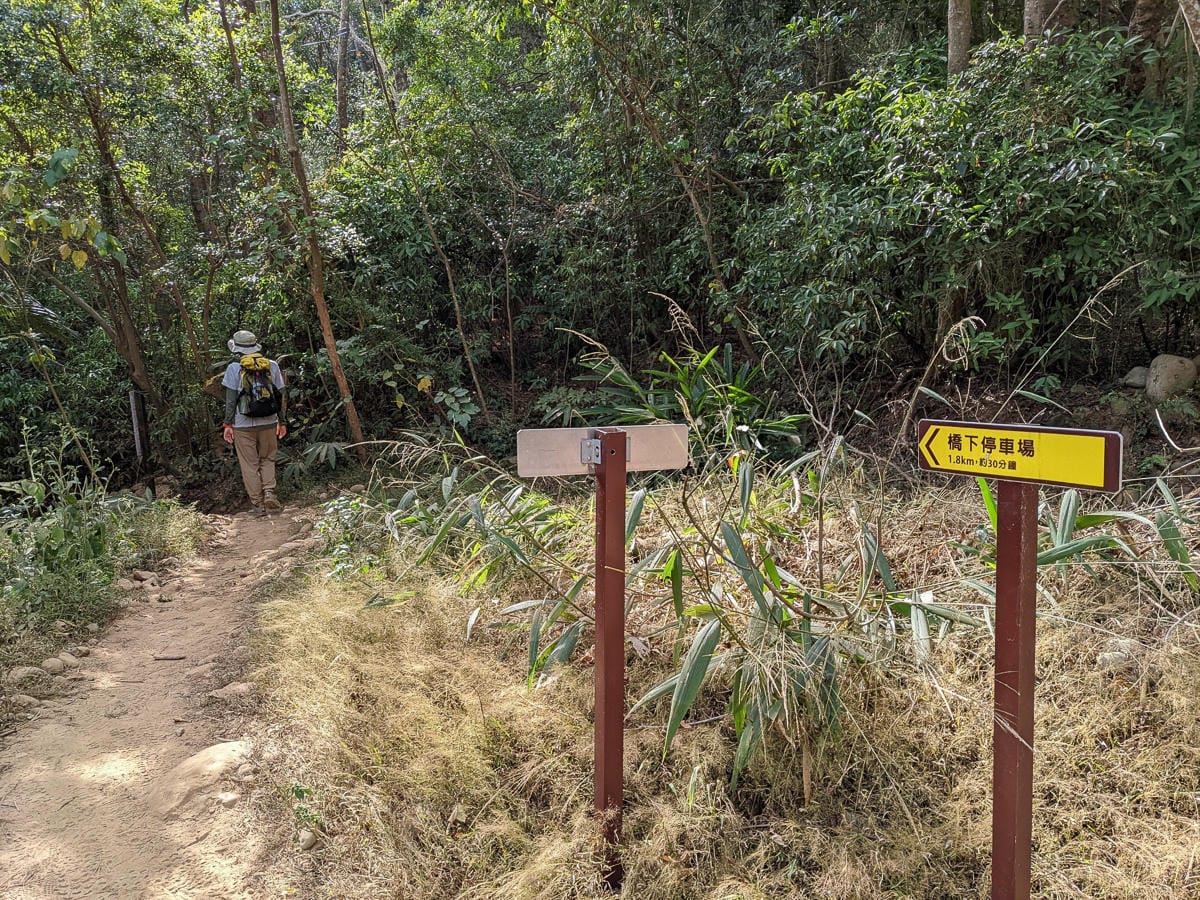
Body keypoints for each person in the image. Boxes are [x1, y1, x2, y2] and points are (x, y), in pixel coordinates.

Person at [221, 330, 287, 515]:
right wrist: (281, 421)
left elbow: (231, 400)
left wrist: (228, 424)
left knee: (249, 464)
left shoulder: (234, 368)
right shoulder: (271, 365)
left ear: (237, 348)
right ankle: (269, 493)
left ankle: (258, 505)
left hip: (243, 424)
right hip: (268, 421)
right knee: (268, 458)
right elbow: (279, 395)